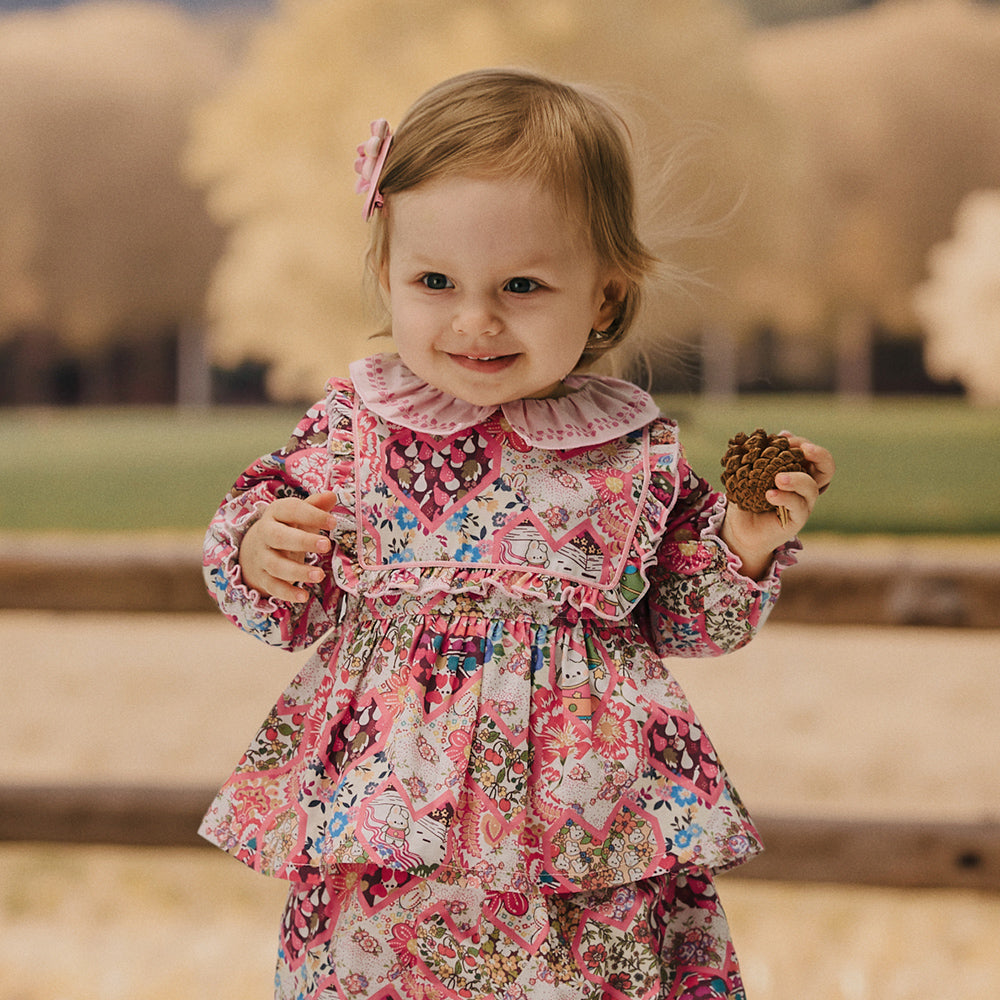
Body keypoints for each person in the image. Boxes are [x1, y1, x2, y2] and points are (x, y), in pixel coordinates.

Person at [200, 67, 834, 1000]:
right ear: (387, 275)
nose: (475, 319)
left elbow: (695, 619)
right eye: (434, 281)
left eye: (523, 284)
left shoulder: (630, 452)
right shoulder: (357, 430)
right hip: (390, 822)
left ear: (606, 299)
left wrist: (744, 537)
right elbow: (288, 599)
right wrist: (263, 549)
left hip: (587, 825)